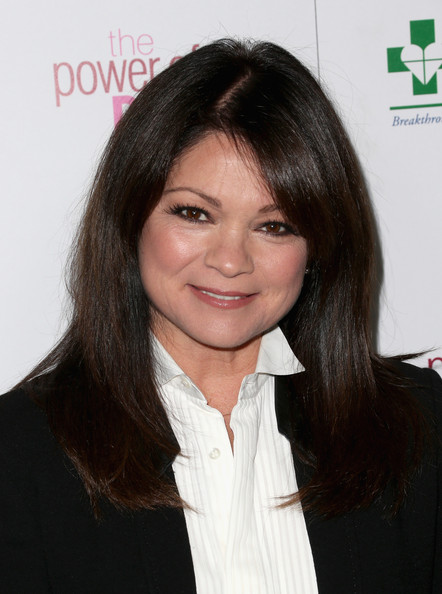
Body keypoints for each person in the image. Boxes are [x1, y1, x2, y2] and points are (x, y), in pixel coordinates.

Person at [0, 38, 441, 594]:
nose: (231, 261)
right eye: (194, 213)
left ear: (320, 247)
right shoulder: (19, 454)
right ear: (130, 217)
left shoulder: (417, 428)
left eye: (274, 226)